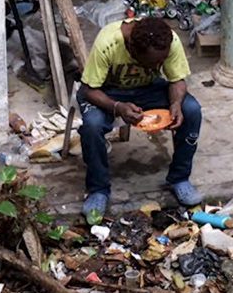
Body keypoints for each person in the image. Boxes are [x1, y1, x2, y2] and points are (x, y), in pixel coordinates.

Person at [78, 17, 203, 216]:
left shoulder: (168, 40)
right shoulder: (108, 42)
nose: (160, 64)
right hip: (108, 92)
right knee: (92, 125)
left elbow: (176, 80)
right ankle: (98, 189)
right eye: (153, 63)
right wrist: (118, 107)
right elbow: (89, 90)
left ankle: (179, 178)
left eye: (162, 60)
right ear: (132, 51)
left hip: (148, 89)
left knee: (191, 110)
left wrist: (175, 103)